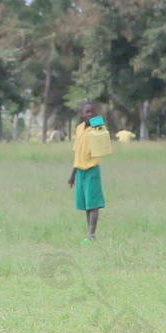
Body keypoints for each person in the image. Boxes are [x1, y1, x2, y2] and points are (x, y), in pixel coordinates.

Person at [68, 103, 107, 244]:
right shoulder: (79, 129)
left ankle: (91, 235)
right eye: (87, 112)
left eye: (92, 112)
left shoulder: (97, 127)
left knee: (93, 204)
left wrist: (96, 116)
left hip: (92, 170)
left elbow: (102, 121)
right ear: (81, 114)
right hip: (80, 171)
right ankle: (89, 233)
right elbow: (77, 153)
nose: (90, 114)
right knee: (86, 204)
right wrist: (73, 175)